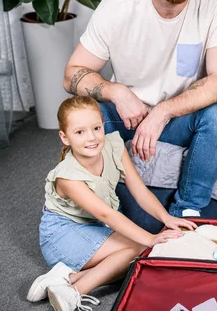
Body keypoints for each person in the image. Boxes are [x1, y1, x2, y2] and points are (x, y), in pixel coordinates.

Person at [63, 0, 217, 222]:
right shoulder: (117, 8)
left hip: (178, 119)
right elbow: (71, 75)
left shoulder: (216, 5)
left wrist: (163, 112)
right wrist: (116, 92)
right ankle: (98, 208)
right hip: (127, 114)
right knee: (86, 114)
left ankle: (187, 210)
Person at [27, 96, 196, 311]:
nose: (91, 138)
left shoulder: (114, 145)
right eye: (80, 132)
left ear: (103, 126)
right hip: (61, 234)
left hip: (94, 226)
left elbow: (140, 191)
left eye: (96, 128)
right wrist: (152, 238)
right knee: (139, 249)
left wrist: (166, 218)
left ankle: (67, 277)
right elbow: (108, 215)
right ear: (65, 137)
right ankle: (73, 291)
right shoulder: (67, 176)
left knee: (140, 254)